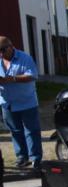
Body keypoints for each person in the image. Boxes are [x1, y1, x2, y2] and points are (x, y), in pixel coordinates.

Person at [0, 36, 43, 170]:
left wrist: (12, 79)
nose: (0, 53)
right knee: (15, 131)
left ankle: (35, 158)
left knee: (31, 131)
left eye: (2, 50)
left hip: (26, 102)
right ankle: (22, 157)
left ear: (11, 46)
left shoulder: (25, 58)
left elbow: (32, 75)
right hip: (7, 103)